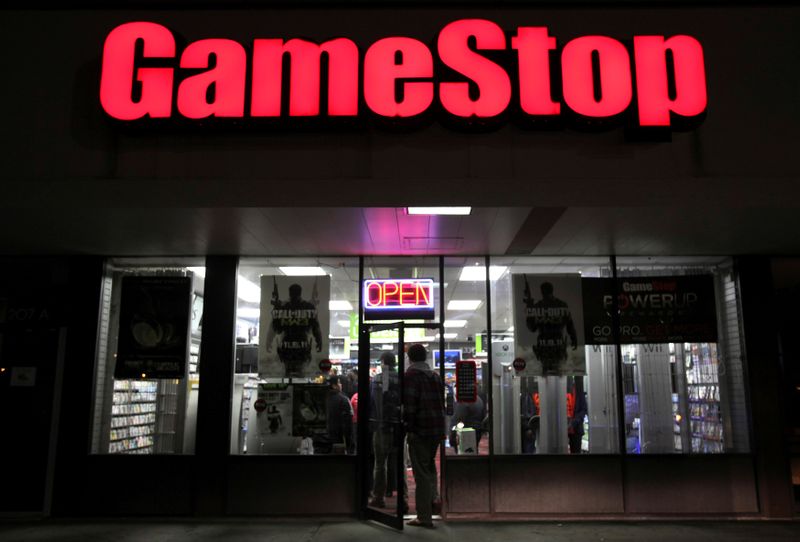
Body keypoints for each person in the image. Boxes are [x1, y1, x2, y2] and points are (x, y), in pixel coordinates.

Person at [403, 344, 445, 529]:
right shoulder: (435, 376)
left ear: (410, 358)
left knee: (420, 474)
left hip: (420, 430)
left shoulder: (410, 376)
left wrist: (409, 429)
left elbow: (410, 406)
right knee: (429, 468)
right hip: (436, 429)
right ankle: (434, 503)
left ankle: (424, 517)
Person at [368, 352, 406, 511]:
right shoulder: (402, 378)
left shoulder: (378, 378)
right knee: (400, 463)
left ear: (383, 362)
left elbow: (372, 403)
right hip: (398, 427)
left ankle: (378, 497)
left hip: (381, 425)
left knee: (380, 464)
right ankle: (402, 500)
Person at [265, 282, 323, 377]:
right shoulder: (307, 307)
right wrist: (319, 341)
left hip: (290, 343)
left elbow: (273, 326)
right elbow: (316, 327)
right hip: (299, 343)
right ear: (300, 293)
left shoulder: (283, 307)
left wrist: (268, 342)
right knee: (296, 370)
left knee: (291, 370)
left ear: (289, 293)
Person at [523, 278, 578, 374]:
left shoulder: (539, 306)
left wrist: (530, 308)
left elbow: (532, 328)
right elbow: (570, 324)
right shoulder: (561, 305)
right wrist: (574, 338)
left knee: (552, 371)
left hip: (549, 343)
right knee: (556, 371)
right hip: (553, 343)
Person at [326, 375, 354, 454]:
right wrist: (349, 441)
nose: (341, 384)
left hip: (326, 437)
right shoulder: (343, 399)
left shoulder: (325, 398)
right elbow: (348, 421)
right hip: (340, 438)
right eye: (339, 383)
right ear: (334, 386)